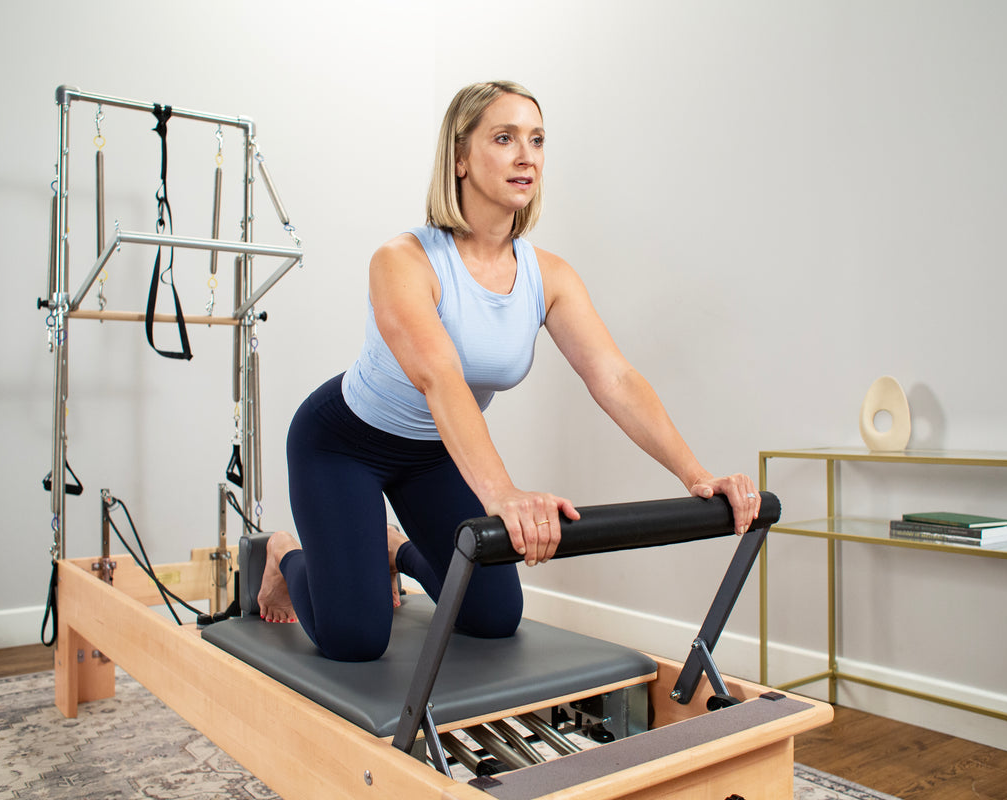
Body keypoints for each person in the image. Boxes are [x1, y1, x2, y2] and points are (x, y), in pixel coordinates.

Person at [257, 80, 761, 662]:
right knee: (356, 639)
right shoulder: (404, 261)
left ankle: (392, 549)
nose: (527, 156)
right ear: (461, 158)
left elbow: (614, 378)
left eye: (537, 140)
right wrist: (502, 494)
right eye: (504, 138)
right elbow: (438, 377)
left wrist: (696, 476)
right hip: (343, 446)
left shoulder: (549, 277)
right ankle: (284, 555)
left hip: (434, 453)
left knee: (494, 617)